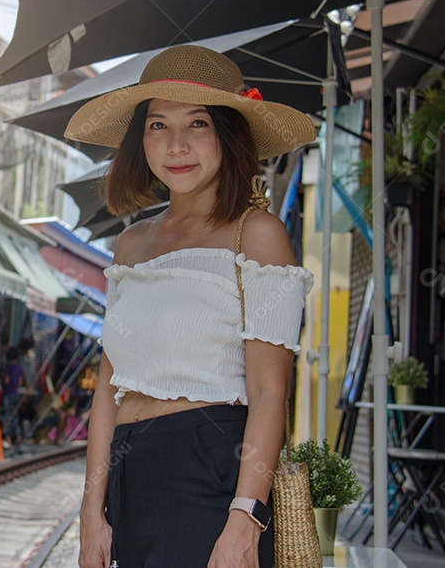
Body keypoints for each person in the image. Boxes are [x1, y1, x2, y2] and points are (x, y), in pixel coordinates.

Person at [68, 45, 316, 568]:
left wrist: (245, 518)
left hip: (212, 473)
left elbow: (271, 390)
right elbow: (110, 387)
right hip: (130, 478)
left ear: (228, 135)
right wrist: (92, 508)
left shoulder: (258, 234)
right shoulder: (131, 244)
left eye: (197, 123)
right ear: (141, 140)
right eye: (157, 125)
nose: (176, 144)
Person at [0, 346, 25, 446]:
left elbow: (6, 380)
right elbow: (20, 382)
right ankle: (18, 437)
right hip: (15, 394)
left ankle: (8, 438)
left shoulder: (8, 367)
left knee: (7, 415)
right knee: (15, 415)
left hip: (7, 394)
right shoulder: (18, 368)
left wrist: (2, 381)